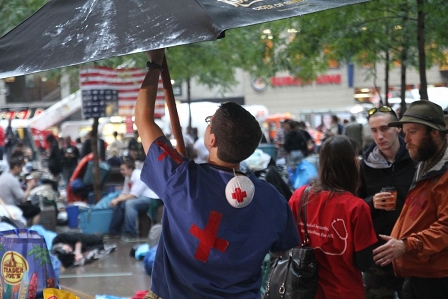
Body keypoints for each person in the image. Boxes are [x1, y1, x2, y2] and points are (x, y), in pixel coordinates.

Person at [135, 49, 300, 299]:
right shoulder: (273, 200)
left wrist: (155, 64)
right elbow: (284, 251)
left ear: (211, 140)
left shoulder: (180, 179)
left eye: (210, 120)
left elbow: (143, 119)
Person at [373, 101, 448, 299]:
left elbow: (446, 227)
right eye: (404, 133)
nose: (406, 140)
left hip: (437, 277)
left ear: (434, 132)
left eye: (412, 132)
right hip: (417, 271)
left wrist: (407, 245)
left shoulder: (443, 171)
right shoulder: (426, 162)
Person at [289, 135, 377, 299]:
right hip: (345, 291)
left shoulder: (300, 196)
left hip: (303, 290)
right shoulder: (356, 208)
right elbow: (364, 263)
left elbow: (287, 239)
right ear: (350, 165)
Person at [358, 106, 417, 299]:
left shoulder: (416, 159)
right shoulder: (367, 164)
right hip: (379, 250)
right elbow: (355, 205)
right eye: (374, 130)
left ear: (398, 128)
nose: (379, 136)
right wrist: (371, 202)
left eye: (384, 128)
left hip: (411, 247)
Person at [106, 160, 159, 240]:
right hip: (139, 197)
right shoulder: (128, 177)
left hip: (149, 198)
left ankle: (131, 233)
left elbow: (134, 195)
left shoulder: (138, 176)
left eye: (123, 169)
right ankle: (114, 231)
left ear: (130, 169)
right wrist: (117, 200)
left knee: (130, 204)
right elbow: (124, 192)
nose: (121, 172)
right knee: (121, 204)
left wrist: (117, 200)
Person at [0, 156, 40, 226]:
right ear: (16, 167)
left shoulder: (3, 176)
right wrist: (29, 187)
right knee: (36, 210)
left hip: (3, 206)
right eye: (21, 168)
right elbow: (22, 199)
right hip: (10, 208)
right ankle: (30, 230)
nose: (22, 170)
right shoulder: (12, 180)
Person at [51, 232, 116, 268]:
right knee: (97, 249)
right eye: (69, 252)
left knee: (99, 241)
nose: (70, 250)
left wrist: (77, 252)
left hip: (80, 239)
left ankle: (98, 236)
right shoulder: (61, 255)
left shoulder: (60, 238)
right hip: (83, 249)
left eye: (68, 249)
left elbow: (77, 241)